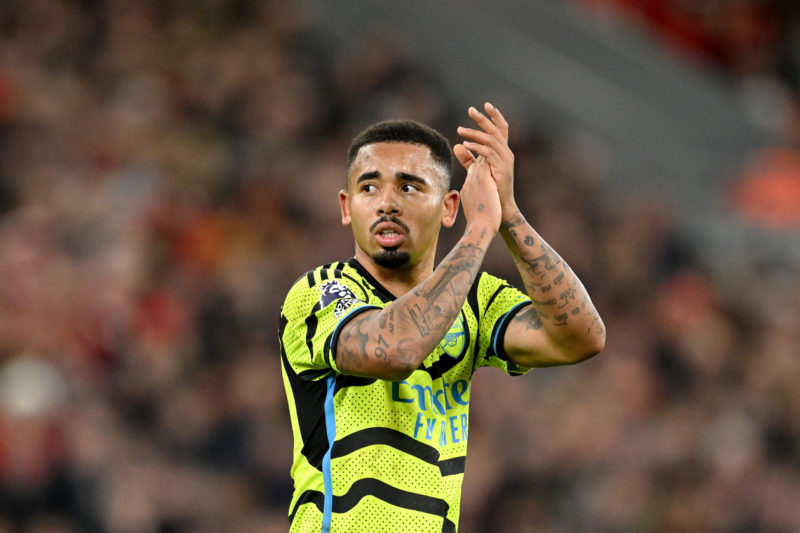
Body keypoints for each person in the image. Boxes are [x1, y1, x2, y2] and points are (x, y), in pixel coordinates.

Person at [278, 103, 606, 532]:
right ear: (346, 206)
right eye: (369, 188)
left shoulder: (475, 299)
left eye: (410, 187)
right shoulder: (320, 292)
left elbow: (581, 338)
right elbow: (398, 350)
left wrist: (508, 215)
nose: (387, 204)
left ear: (450, 207)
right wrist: (478, 230)